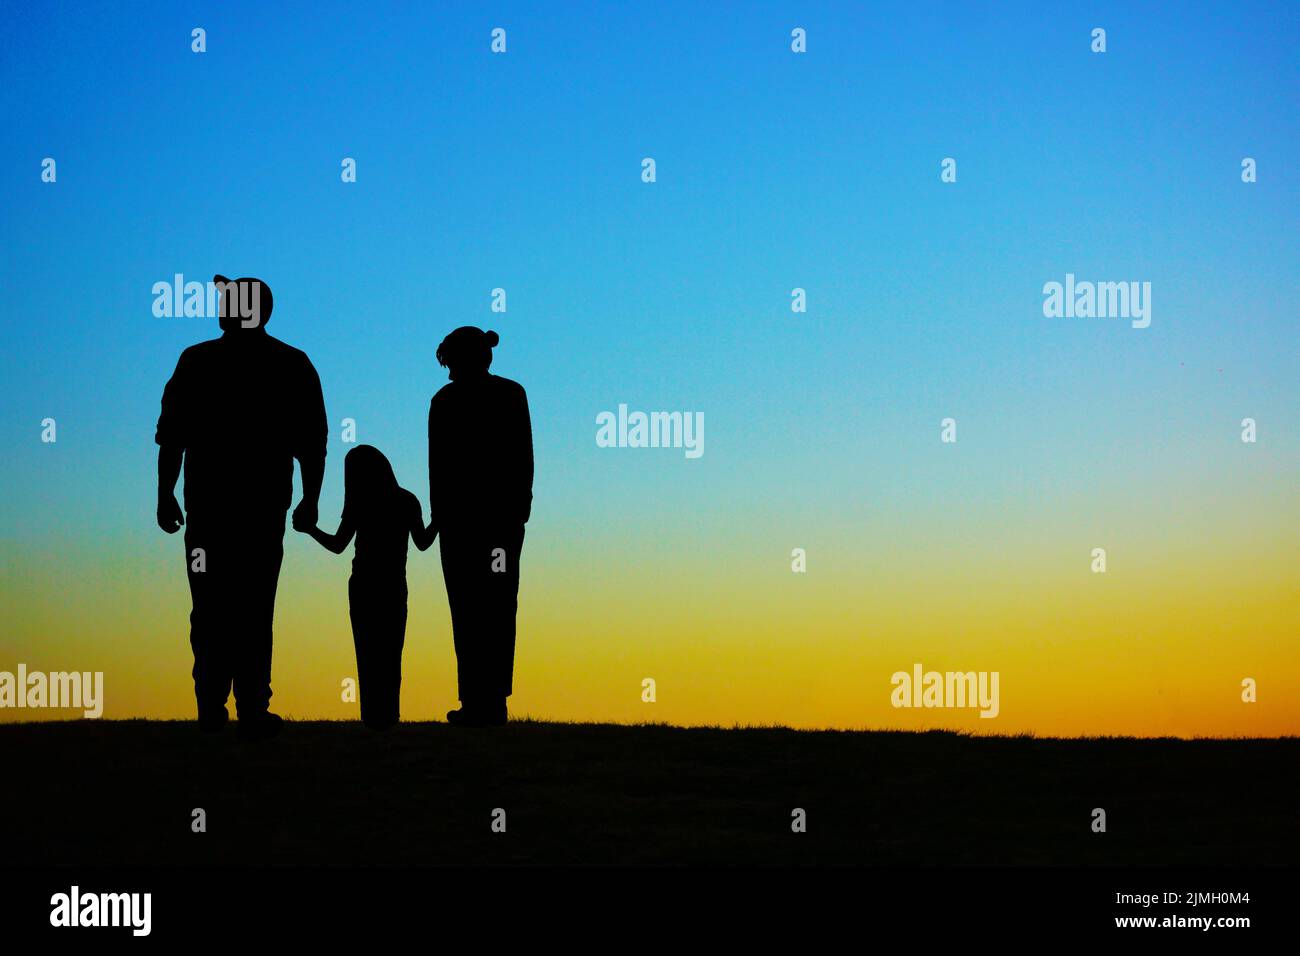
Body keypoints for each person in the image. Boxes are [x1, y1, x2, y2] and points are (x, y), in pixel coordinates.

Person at [155, 275, 327, 740]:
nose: (220, 309)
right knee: (249, 605)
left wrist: (165, 492)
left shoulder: (200, 361)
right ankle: (242, 704)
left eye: (228, 301)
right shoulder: (289, 363)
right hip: (251, 509)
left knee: (214, 606)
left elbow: (173, 435)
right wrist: (310, 498)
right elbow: (312, 445)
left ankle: (221, 704)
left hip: (218, 510)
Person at [428, 327, 533, 727]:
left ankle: (482, 699)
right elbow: (523, 456)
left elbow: (440, 466)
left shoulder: (452, 400)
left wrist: (442, 516)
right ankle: (484, 699)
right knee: (492, 605)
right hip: (488, 524)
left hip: (477, 525)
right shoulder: (504, 394)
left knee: (477, 606)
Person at [295, 445, 435, 730]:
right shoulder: (406, 500)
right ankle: (389, 715)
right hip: (393, 584)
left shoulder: (360, 502)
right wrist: (440, 520)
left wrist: (310, 530)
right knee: (391, 651)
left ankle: (372, 715)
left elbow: (337, 546)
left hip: (364, 586)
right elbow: (423, 543)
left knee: (368, 651)